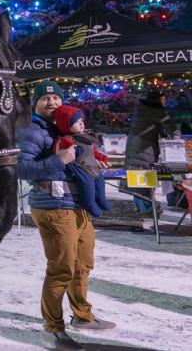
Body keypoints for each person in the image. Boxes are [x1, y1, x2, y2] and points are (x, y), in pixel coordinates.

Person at [16, 80, 115, 351]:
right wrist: (59, 160)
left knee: (83, 264)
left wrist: (93, 162)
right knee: (61, 270)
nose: (51, 103)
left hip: (78, 206)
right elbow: (21, 170)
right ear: (35, 103)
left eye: (56, 98)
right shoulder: (32, 131)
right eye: (45, 99)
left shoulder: (62, 126)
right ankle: (53, 329)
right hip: (53, 207)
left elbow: (79, 156)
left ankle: (82, 316)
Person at [52, 105, 112, 217]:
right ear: (66, 124)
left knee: (100, 181)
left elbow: (94, 152)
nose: (81, 124)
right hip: (79, 167)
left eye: (82, 121)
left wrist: (102, 158)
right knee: (87, 184)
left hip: (92, 165)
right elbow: (59, 152)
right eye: (76, 122)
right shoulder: (66, 140)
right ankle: (89, 204)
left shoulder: (85, 138)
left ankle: (101, 199)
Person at [124, 88, 176, 215]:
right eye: (162, 99)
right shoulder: (158, 112)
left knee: (135, 177)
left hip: (133, 148)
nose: (164, 102)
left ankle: (142, 207)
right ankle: (147, 209)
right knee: (143, 178)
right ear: (157, 100)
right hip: (144, 150)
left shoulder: (140, 110)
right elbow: (173, 131)